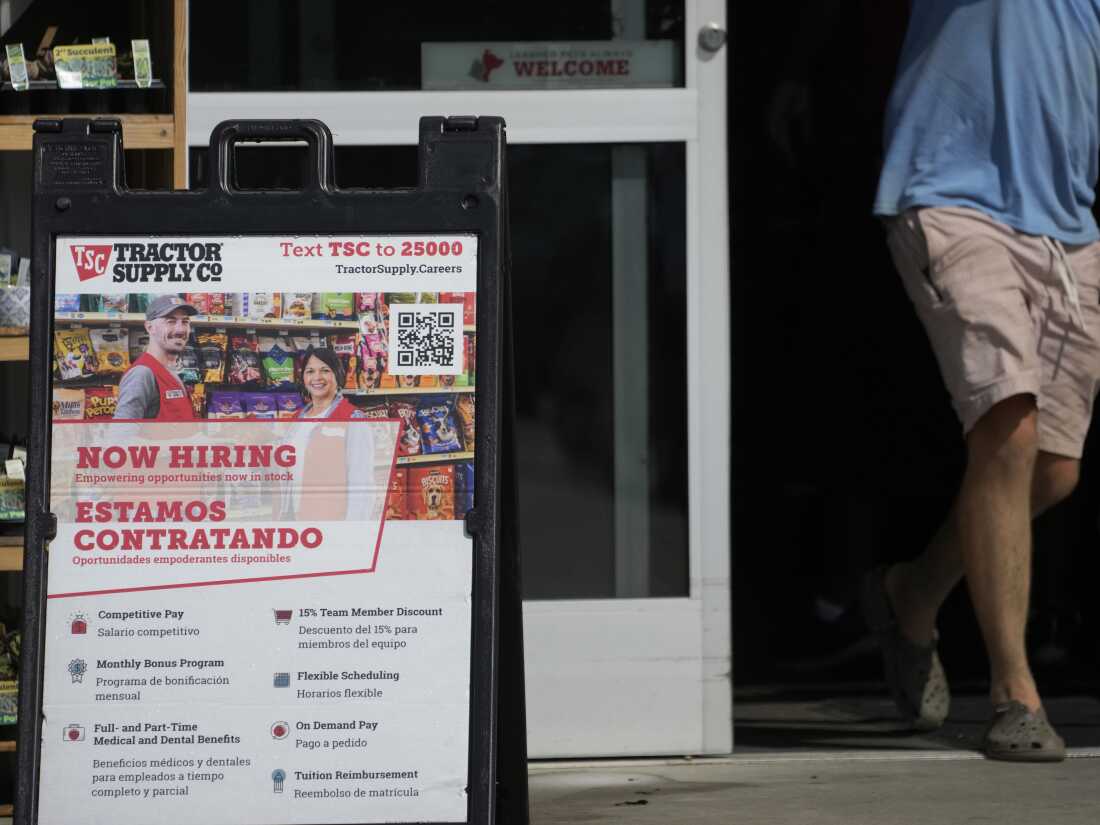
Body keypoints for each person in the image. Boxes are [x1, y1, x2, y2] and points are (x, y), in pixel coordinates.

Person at [866, 0, 1100, 762]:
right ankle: (1014, 691)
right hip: (949, 193)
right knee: (1010, 422)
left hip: (1066, 224)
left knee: (1053, 470)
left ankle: (915, 593)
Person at [281, 346, 378, 523]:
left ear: (337, 375)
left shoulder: (353, 419)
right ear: (303, 377)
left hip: (332, 524)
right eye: (310, 371)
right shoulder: (296, 419)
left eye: (325, 370)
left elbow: (362, 483)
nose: (317, 377)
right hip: (293, 519)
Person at [114, 295, 197, 421]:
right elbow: (120, 436)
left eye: (185, 322)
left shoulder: (169, 371)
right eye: (171, 321)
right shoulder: (142, 374)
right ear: (149, 327)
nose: (180, 329)